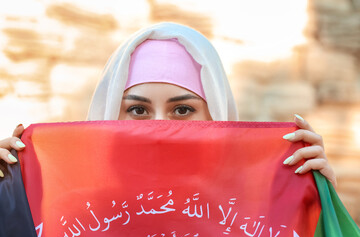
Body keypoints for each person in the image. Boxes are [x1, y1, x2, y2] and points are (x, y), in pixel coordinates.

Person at [0, 22, 336, 186]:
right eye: (138, 110)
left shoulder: (259, 207)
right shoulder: (65, 208)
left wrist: (319, 204)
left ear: (215, 116)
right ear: (110, 116)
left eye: (182, 110)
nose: (160, 128)